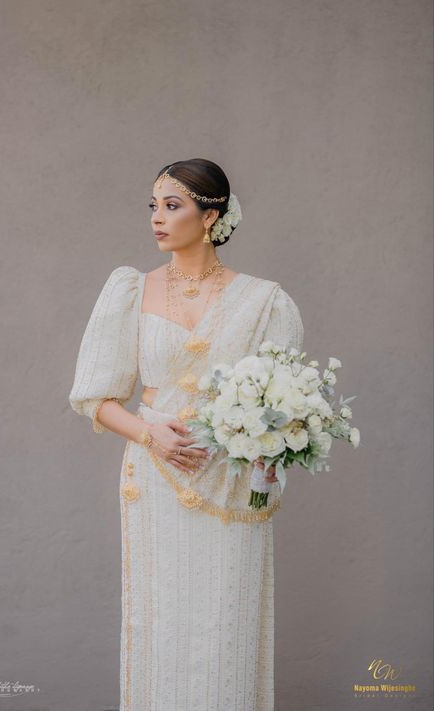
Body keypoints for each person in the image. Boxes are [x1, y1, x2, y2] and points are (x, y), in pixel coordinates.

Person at [69, 158, 304, 711]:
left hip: (234, 478)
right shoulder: (131, 290)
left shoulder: (263, 302)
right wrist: (152, 436)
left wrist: (267, 459)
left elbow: (285, 405)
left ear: (210, 215)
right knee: (164, 618)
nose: (157, 218)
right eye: (153, 206)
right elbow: (95, 399)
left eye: (172, 206)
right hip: (157, 480)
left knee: (228, 620)